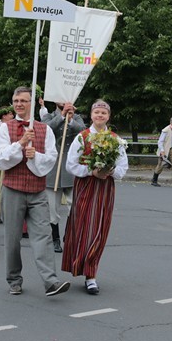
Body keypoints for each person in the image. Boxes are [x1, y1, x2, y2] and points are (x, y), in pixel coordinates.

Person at [0, 86, 70, 297]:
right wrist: (20, 144)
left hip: (37, 190)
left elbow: (51, 159)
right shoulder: (5, 128)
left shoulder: (44, 129)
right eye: (16, 100)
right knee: (12, 238)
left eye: (24, 101)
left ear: (31, 103)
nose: (19, 104)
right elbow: (1, 160)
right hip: (13, 189)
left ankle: (51, 281)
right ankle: (14, 279)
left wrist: (34, 154)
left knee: (43, 236)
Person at [62, 99, 128, 295]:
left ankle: (91, 274)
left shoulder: (115, 139)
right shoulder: (82, 137)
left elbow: (123, 167)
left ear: (108, 116)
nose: (100, 116)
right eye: (97, 112)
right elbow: (70, 164)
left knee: (99, 229)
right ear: (91, 115)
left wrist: (109, 170)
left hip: (105, 187)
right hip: (85, 185)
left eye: (104, 113)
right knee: (82, 226)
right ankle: (80, 265)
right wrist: (91, 171)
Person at [43, 101, 85, 252]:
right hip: (53, 169)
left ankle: (69, 235)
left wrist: (70, 119)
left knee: (74, 207)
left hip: (71, 169)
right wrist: (61, 116)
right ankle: (55, 239)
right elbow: (46, 129)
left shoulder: (77, 118)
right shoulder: (48, 117)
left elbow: (83, 132)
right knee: (52, 209)